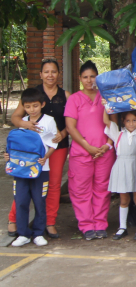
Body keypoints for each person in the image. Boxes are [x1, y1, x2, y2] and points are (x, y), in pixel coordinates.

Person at [9, 58, 69, 239]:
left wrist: (63, 134)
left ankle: (49, 222)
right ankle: (14, 219)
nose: (50, 75)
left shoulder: (66, 95)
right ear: (41, 74)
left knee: (53, 185)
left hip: (57, 146)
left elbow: (72, 121)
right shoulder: (32, 94)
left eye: (53, 72)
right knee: (24, 180)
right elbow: (15, 118)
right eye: (46, 72)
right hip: (30, 148)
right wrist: (26, 125)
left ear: (59, 74)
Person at [64, 61, 116, 240]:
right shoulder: (74, 99)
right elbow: (70, 127)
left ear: (98, 77)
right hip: (82, 152)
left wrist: (108, 144)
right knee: (80, 189)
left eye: (92, 76)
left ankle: (100, 224)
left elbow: (114, 122)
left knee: (102, 189)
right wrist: (88, 147)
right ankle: (86, 225)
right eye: (85, 77)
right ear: (80, 79)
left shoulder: (106, 96)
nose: (89, 80)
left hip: (104, 152)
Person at [7, 88, 57, 247]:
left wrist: (45, 158)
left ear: (42, 104)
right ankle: (23, 234)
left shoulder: (49, 121)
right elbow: (15, 146)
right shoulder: (23, 122)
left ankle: (38, 233)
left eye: (35, 106)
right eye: (28, 107)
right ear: (23, 106)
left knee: (39, 201)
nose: (32, 110)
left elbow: (53, 143)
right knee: (21, 200)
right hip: (21, 170)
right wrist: (8, 156)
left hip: (42, 170)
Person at [103, 99, 136, 241]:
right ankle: (122, 227)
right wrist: (105, 106)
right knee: (124, 199)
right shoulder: (118, 134)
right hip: (121, 167)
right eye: (128, 121)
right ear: (123, 121)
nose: (131, 123)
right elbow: (106, 121)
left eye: (134, 120)